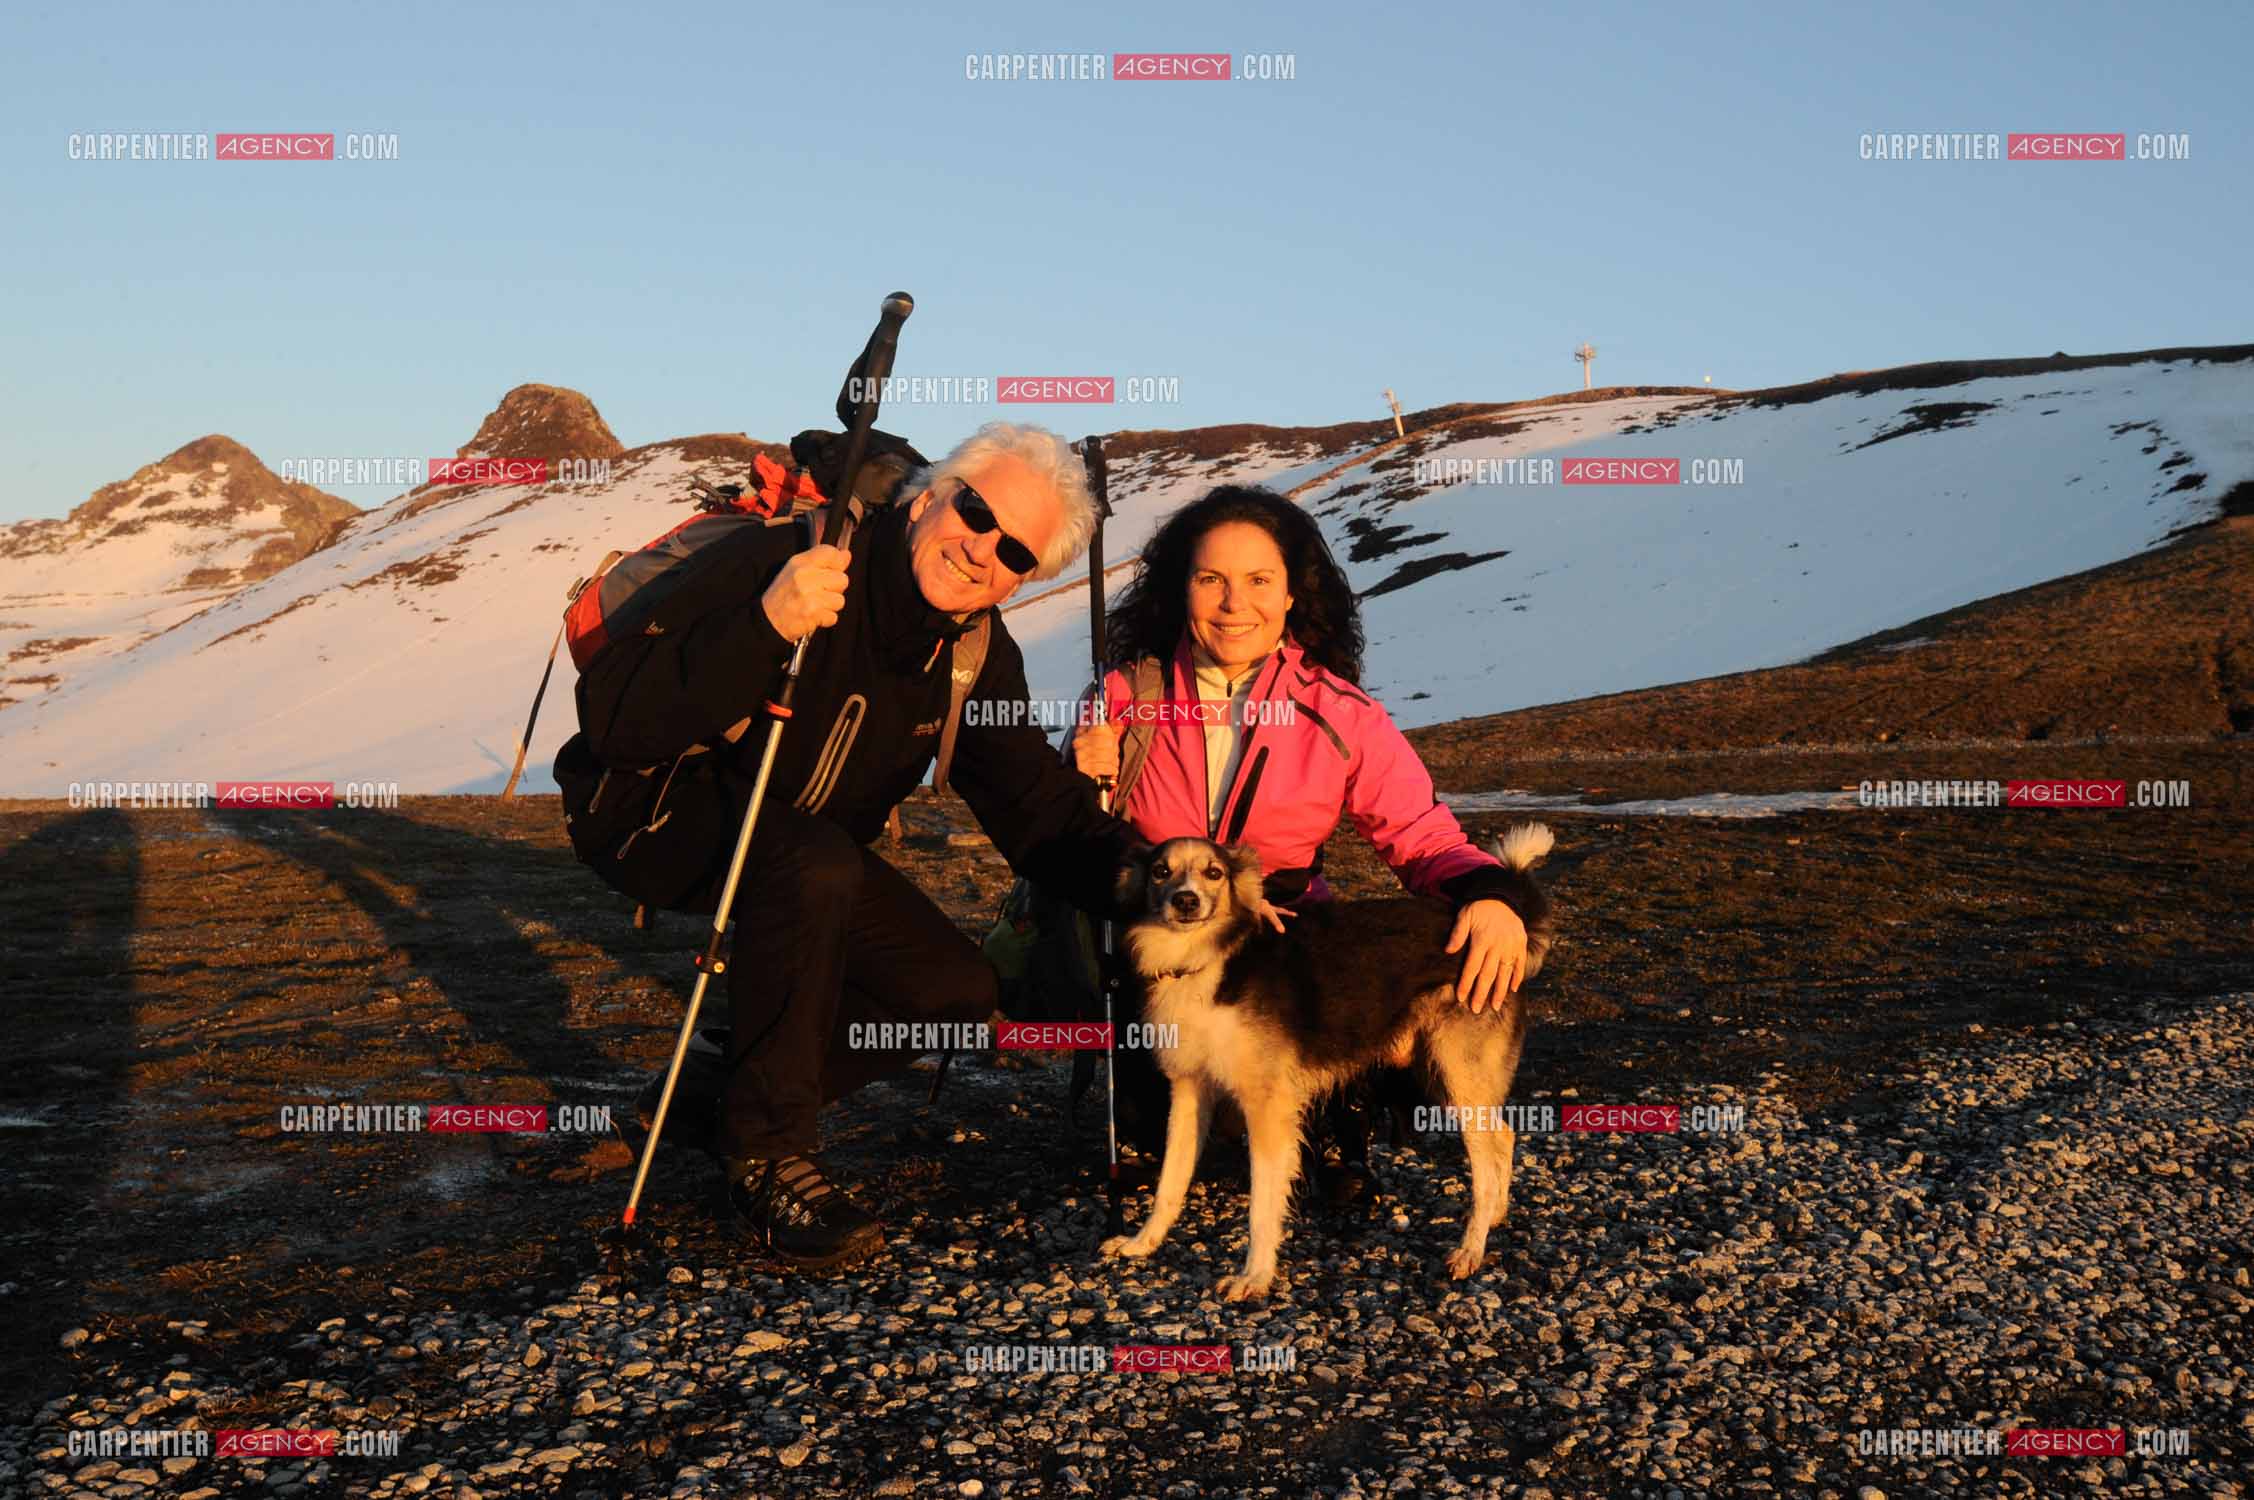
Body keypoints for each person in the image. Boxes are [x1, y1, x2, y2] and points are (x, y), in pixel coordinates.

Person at [555, 422, 1137, 1269]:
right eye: (976, 512)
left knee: (953, 988)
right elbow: (616, 721)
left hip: (805, 862)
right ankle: (765, 1154)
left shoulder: (971, 653)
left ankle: (706, 1100)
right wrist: (763, 625)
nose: (982, 551)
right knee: (812, 860)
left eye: (1015, 553)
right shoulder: (786, 560)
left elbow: (1036, 810)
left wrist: (1150, 876)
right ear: (929, 495)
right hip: (651, 812)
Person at [1073, 484, 1536, 1202]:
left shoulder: (1339, 711)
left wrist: (1492, 893)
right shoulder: (1123, 697)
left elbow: (1417, 833)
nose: (1235, 604)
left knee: (1325, 972)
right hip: (1166, 936)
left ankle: (1337, 1106)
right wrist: (1077, 770)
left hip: (1291, 941)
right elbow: (1078, 827)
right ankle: (1148, 1113)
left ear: (1292, 595)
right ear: (1181, 590)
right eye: (1211, 580)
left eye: (1260, 581)